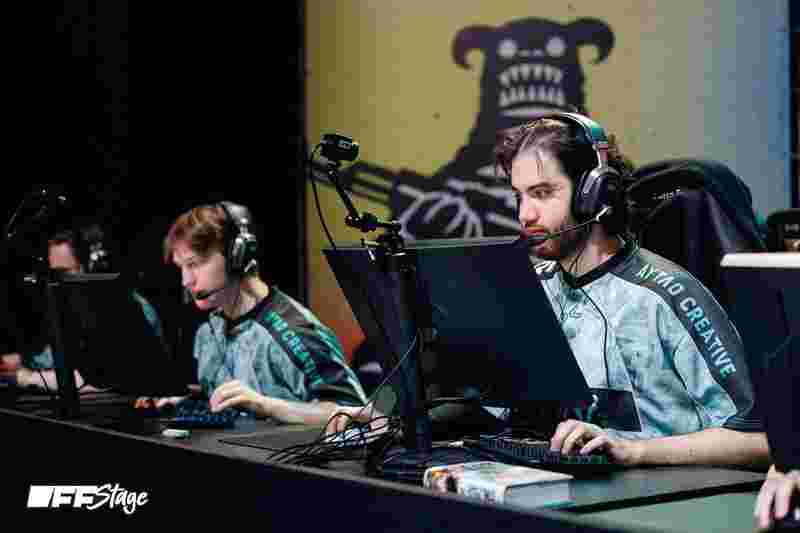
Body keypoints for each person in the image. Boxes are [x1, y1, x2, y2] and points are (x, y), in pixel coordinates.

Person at [488, 112, 769, 468]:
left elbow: (761, 440)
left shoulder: (668, 294)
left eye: (542, 194)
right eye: (520, 196)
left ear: (593, 194)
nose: (525, 215)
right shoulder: (529, 291)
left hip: (668, 493)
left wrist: (634, 451)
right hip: (564, 485)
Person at [157, 201, 366, 425]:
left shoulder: (295, 332)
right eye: (182, 268)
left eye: (194, 264)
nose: (186, 281)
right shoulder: (208, 332)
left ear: (236, 255)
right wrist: (189, 403)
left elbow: (356, 415)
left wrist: (266, 406)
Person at [0, 223, 164, 391]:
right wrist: (21, 359)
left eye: (63, 273)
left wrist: (25, 378)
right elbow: (60, 354)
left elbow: (104, 379)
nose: (55, 282)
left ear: (88, 268)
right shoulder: (74, 308)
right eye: (53, 274)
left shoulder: (129, 309)